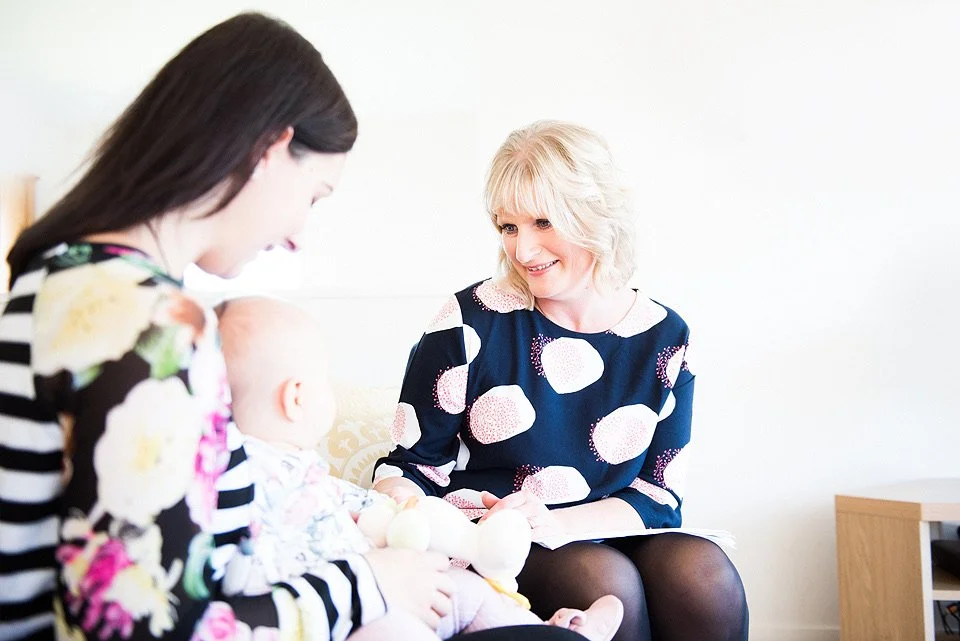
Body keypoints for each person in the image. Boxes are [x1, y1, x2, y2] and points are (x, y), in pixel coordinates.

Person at [0, 14, 586, 641]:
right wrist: (370, 583)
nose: (298, 235)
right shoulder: (151, 322)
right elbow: (144, 631)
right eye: (315, 195)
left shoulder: (56, 282)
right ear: (271, 151)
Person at [372, 120, 749, 641]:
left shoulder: (665, 336)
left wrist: (560, 523)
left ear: (595, 216)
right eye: (508, 227)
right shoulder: (469, 321)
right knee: (602, 580)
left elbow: (658, 495)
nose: (523, 251)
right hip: (502, 541)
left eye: (543, 222)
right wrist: (403, 513)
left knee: (704, 575)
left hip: (602, 526)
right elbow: (412, 467)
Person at [215, 295, 625, 641]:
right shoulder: (249, 475)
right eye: (324, 376)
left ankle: (547, 630)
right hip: (339, 618)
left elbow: (364, 509)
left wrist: (399, 513)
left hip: (373, 592)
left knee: (465, 590)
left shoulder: (288, 469)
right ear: (297, 398)